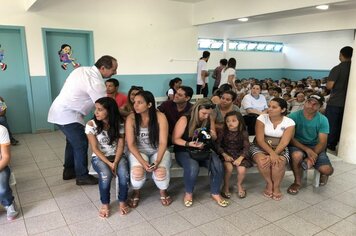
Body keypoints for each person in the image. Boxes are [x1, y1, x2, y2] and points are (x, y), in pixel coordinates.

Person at [48, 55, 118, 185]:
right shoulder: (97, 83)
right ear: (103, 68)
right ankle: (82, 176)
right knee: (81, 143)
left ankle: (69, 171)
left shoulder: (81, 70)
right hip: (67, 114)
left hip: (62, 110)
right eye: (113, 69)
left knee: (72, 142)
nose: (115, 73)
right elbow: (104, 107)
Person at [172, 98, 228, 208]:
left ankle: (215, 192)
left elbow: (214, 137)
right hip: (184, 149)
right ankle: (188, 193)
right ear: (197, 109)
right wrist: (189, 144)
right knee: (193, 167)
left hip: (203, 150)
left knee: (218, 165)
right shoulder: (185, 119)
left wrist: (213, 135)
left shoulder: (209, 118)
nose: (206, 116)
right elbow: (175, 139)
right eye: (204, 113)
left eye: (209, 114)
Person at [125, 90, 172, 207]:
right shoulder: (131, 118)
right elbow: (131, 144)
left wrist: (157, 161)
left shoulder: (160, 117)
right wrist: (143, 162)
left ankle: (163, 191)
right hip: (139, 152)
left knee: (161, 173)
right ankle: (136, 192)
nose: (135, 105)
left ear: (149, 105)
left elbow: (163, 142)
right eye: (134, 102)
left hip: (158, 151)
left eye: (139, 102)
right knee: (137, 173)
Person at [85, 97, 130, 218]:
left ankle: (122, 201)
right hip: (99, 157)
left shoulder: (119, 123)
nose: (96, 112)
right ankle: (105, 204)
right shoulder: (91, 125)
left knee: (124, 174)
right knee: (106, 175)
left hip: (118, 156)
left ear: (109, 111)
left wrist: (115, 162)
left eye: (100, 109)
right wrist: (109, 164)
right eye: (96, 109)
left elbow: (121, 145)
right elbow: (95, 148)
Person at [288, 94, 334, 195]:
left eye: (315, 104)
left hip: (315, 146)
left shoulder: (323, 120)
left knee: (327, 170)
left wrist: (311, 155)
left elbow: (322, 142)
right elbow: (290, 139)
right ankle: (297, 182)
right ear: (305, 102)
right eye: (309, 102)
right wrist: (307, 150)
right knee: (297, 155)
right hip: (297, 145)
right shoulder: (293, 116)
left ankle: (323, 174)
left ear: (320, 107)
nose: (310, 106)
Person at [250, 98, 295, 201]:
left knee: (278, 164)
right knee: (263, 162)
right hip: (260, 147)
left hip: (280, 148)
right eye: (269, 106)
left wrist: (275, 153)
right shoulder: (262, 118)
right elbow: (260, 140)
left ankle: (277, 186)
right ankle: (269, 184)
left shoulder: (289, 122)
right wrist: (272, 154)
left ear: (283, 110)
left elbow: (284, 142)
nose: (269, 109)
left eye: (274, 107)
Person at [215, 111, 251, 199]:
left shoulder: (243, 132)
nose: (230, 123)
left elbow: (246, 147)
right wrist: (224, 154)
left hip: (239, 154)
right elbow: (217, 145)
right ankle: (226, 186)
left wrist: (240, 158)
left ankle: (239, 185)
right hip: (226, 154)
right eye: (228, 121)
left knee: (242, 170)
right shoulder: (223, 131)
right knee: (229, 168)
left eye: (233, 120)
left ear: (240, 121)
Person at [325, 46, 353, 151]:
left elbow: (329, 86)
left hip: (336, 101)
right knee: (343, 124)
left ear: (341, 55)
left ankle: (330, 145)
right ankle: (341, 145)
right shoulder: (353, 68)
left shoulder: (338, 68)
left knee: (331, 124)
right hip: (349, 103)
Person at [0, 125, 19, 221]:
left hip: (1, 165)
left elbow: (6, 157)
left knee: (2, 189)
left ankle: (9, 204)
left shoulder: (1, 130)